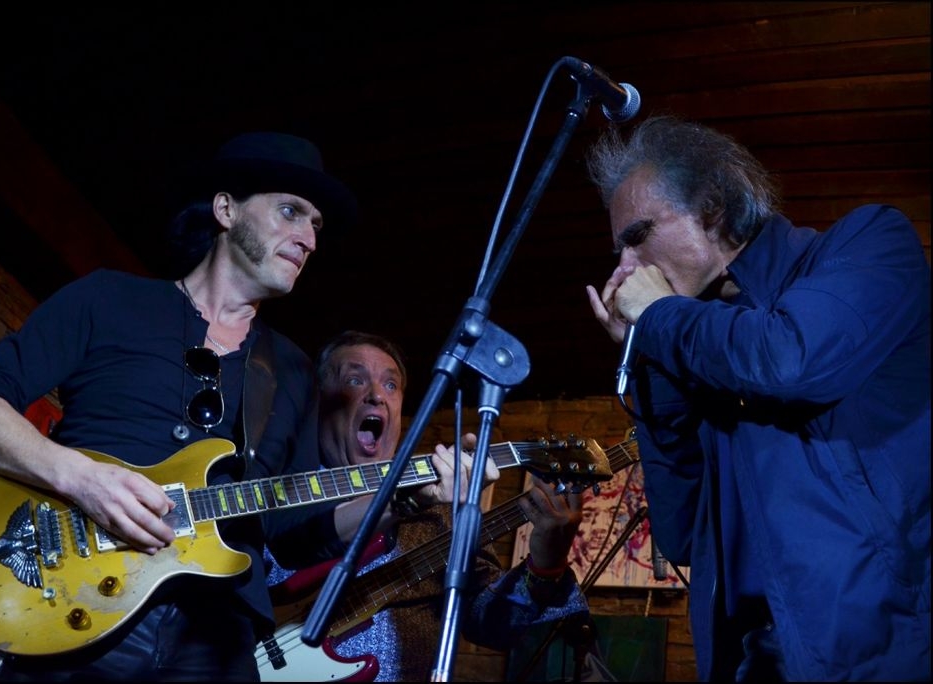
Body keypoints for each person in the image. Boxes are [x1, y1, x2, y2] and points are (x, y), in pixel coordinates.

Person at [0, 132, 426, 682]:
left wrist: (397, 497)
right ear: (225, 208)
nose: (308, 237)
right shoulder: (109, 300)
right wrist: (80, 478)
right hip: (74, 602)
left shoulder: (291, 370)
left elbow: (290, 529)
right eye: (291, 212)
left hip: (214, 638)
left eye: (316, 226)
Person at [585, 115, 930, 681]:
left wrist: (662, 317)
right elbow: (681, 533)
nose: (624, 270)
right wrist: (654, 362)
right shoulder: (704, 346)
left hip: (883, 652)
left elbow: (791, 360)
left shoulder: (870, 242)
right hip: (751, 660)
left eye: (637, 237)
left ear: (713, 207)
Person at [262, 330, 606, 682]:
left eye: (391, 386)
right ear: (318, 402)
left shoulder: (442, 510)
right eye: (354, 379)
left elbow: (493, 625)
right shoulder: (278, 488)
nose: (377, 396)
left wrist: (547, 562)